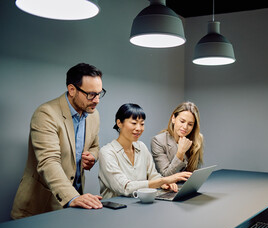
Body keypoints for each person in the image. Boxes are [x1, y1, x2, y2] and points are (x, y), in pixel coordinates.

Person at [11, 63, 105, 219]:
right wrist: (72, 197)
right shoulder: (46, 114)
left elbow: (95, 145)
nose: (97, 100)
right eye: (91, 94)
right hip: (40, 207)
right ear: (72, 89)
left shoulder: (93, 115)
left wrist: (93, 156)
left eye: (99, 94)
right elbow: (49, 161)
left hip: (73, 205)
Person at [98, 103, 191, 199]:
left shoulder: (141, 147)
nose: (139, 128)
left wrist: (164, 183)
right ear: (119, 123)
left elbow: (153, 175)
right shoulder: (107, 152)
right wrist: (163, 180)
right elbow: (125, 188)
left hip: (140, 204)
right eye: (134, 123)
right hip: (114, 209)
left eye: (142, 124)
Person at [151, 102, 204, 177]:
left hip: (187, 185)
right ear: (173, 119)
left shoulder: (198, 139)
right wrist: (180, 152)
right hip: (166, 187)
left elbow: (194, 173)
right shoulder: (158, 141)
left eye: (190, 124)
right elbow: (166, 175)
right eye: (182, 121)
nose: (185, 127)